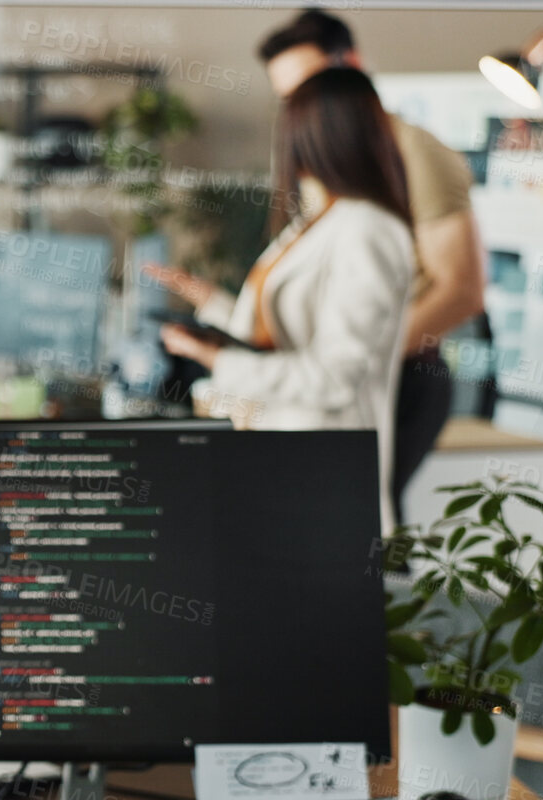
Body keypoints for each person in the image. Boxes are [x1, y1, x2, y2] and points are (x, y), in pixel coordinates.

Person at [156, 9, 485, 514]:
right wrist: (217, 309)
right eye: (288, 99)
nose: (298, 111)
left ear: (346, 73)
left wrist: (367, 353)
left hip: (394, 376)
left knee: (361, 543)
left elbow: (459, 290)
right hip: (314, 402)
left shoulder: (410, 166)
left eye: (308, 92)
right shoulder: (328, 205)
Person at [156, 67, 416, 530]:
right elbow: (276, 335)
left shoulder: (368, 230)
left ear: (314, 138)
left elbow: (333, 378)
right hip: (277, 460)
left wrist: (215, 359)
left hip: (320, 475)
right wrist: (210, 304)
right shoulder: (319, 221)